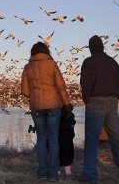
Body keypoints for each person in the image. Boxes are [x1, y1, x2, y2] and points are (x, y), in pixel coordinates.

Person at [79, 35, 119, 184]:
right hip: (113, 101)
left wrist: (87, 100)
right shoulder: (113, 62)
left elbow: (85, 84)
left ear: (90, 48)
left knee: (91, 139)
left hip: (96, 101)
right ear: (102, 47)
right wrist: (115, 97)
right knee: (116, 137)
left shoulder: (88, 62)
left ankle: (90, 175)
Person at [21, 41, 72, 182]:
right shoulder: (52, 64)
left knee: (41, 139)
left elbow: (25, 91)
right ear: (46, 51)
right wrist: (66, 104)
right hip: (54, 106)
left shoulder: (27, 67)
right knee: (53, 139)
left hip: (37, 108)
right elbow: (61, 86)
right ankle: (53, 174)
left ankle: (42, 173)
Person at [58, 103, 76, 177]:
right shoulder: (71, 116)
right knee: (69, 154)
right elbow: (72, 124)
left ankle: (57, 170)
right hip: (68, 138)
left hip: (59, 137)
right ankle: (67, 170)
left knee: (57, 153)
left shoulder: (58, 115)